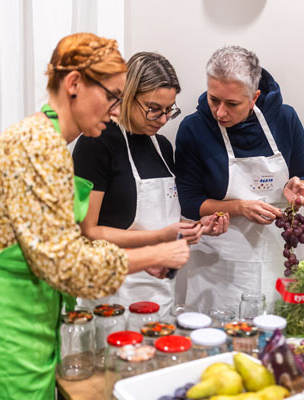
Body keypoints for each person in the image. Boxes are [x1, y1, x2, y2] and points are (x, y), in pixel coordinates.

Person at [0, 33, 189, 400]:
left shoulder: (42, 137)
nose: (117, 110)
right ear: (74, 85)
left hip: (22, 313)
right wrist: (156, 253)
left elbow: (61, 243)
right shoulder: (40, 147)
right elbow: (66, 264)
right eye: (113, 97)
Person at [73, 52, 228, 317]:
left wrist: (196, 228)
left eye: (169, 110)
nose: (163, 119)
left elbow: (162, 221)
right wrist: (159, 238)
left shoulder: (162, 147)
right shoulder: (96, 143)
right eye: (153, 108)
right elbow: (88, 232)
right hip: (112, 294)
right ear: (127, 95)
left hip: (159, 294)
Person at [175, 45, 304, 313]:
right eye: (214, 99)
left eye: (232, 104)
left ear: (254, 97)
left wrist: (300, 186)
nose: (219, 112)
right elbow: (189, 201)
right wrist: (238, 208)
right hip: (216, 265)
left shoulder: (285, 119)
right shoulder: (194, 129)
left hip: (276, 255)